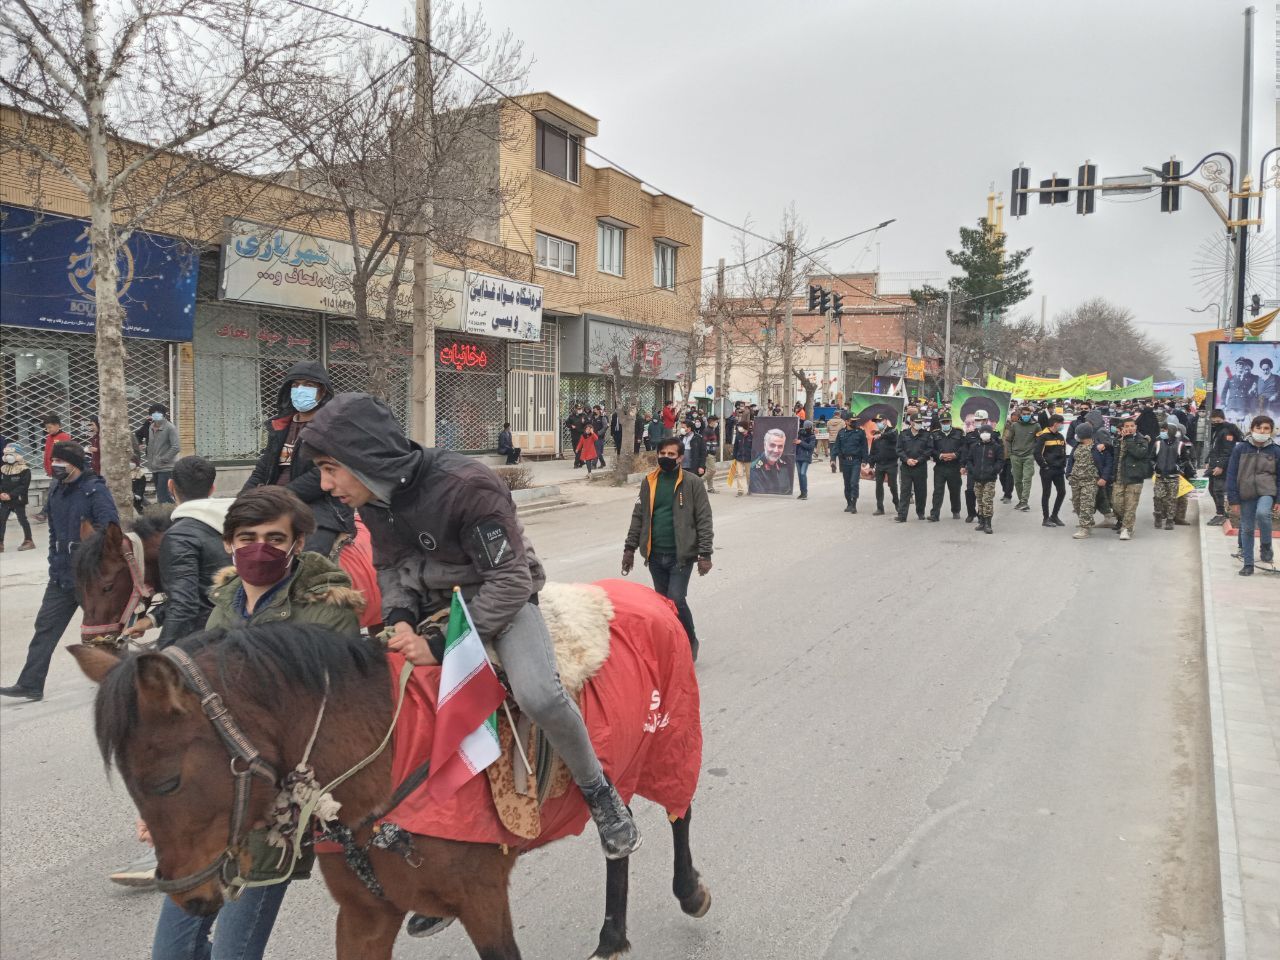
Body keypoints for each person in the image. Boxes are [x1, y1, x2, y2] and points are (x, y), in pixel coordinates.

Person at [303, 391, 641, 862]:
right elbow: (389, 566)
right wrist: (400, 618)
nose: (324, 483)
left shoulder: (467, 485)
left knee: (539, 695)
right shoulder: (372, 498)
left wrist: (442, 644)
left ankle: (599, 791)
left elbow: (510, 578)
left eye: (329, 467)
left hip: (496, 599)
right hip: (428, 605)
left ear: (363, 457)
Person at [148, 485, 363, 959]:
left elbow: (317, 715)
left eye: (274, 538)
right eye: (246, 537)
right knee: (172, 952)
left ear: (298, 544)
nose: (258, 548)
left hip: (273, 810)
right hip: (207, 808)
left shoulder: (330, 611)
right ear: (228, 543)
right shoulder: (225, 600)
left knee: (234, 953)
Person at [0, 441, 118, 701]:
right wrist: (55, 562)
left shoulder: (94, 490)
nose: (55, 466)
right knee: (45, 627)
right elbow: (54, 533)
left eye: (61, 462)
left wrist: (89, 551)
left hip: (90, 578)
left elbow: (111, 531)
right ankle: (30, 684)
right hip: (61, 578)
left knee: (104, 633)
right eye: (54, 461)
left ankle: (120, 679)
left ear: (74, 464)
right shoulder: (55, 489)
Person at [243, 361, 354, 559]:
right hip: (274, 500)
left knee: (308, 555)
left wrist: (279, 496)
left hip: (321, 505)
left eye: (309, 385)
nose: (300, 390)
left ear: (323, 392)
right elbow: (263, 468)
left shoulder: (334, 426)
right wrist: (243, 499)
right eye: (295, 385)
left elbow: (323, 473)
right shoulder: (280, 426)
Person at [126, 457, 235, 648]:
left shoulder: (179, 535)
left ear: (170, 486)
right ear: (212, 489)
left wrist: (163, 654)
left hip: (207, 640)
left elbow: (184, 605)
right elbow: (201, 589)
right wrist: (152, 618)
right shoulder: (237, 525)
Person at [622, 436, 714, 659]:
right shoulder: (649, 481)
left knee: (676, 600)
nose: (665, 458)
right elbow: (638, 516)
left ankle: (690, 640)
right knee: (662, 604)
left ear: (680, 457)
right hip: (655, 555)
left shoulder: (692, 483)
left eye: (671, 455)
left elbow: (704, 519)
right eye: (662, 454)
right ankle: (669, 644)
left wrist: (705, 553)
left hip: (681, 555)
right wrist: (629, 549)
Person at [1226, 414, 1279, 576]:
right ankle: (1248, 564)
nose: (1262, 431)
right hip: (1245, 493)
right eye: (1259, 428)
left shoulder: (1275, 450)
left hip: (1267, 491)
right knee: (1247, 528)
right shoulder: (1240, 448)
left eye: (1266, 428)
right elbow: (1232, 473)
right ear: (1252, 429)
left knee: (1263, 514)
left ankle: (1266, 545)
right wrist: (1233, 498)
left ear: (1271, 431)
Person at [1067, 422, 1113, 539]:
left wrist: (1104, 478)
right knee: (1077, 503)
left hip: (1091, 481)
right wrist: (1068, 475)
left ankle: (1085, 528)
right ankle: (1087, 521)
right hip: (1076, 480)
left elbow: (1108, 463)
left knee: (1086, 504)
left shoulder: (1098, 447)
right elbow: (1071, 461)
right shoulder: (1077, 446)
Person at [1111, 418, 1152, 541]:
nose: (1129, 428)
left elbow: (1139, 454)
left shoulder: (1142, 440)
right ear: (1122, 428)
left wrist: (1128, 439)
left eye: (1132, 426)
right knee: (1116, 503)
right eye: (1126, 426)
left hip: (1134, 478)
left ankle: (1126, 529)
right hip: (1118, 478)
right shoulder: (1118, 440)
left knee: (1130, 505)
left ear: (1136, 427)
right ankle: (1127, 522)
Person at [1150, 418, 1195, 531]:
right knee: (1157, 497)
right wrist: (1155, 466)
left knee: (1172, 499)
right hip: (1160, 476)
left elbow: (1186, 459)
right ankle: (1158, 516)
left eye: (1164, 429)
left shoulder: (1180, 445)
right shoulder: (1158, 443)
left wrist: (1178, 467)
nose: (1162, 432)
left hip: (1174, 477)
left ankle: (1170, 520)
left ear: (1170, 430)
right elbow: (1151, 458)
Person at [963, 419, 1004, 534]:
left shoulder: (996, 447)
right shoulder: (975, 446)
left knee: (987, 501)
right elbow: (969, 460)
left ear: (991, 434)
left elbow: (1000, 461)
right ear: (980, 433)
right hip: (977, 477)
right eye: (983, 432)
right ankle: (981, 521)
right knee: (980, 500)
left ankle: (988, 524)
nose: (985, 434)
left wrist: (993, 470)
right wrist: (972, 470)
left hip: (989, 479)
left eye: (987, 432)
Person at [32, 414, 71, 522]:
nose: (48, 430)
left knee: (53, 491)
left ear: (57, 425)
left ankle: (44, 513)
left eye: (50, 427)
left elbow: (67, 454)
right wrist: (47, 468)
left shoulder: (64, 437)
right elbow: (47, 454)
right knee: (59, 493)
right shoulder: (48, 437)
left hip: (61, 470)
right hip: (53, 470)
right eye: (47, 428)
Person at [1205, 411, 1241, 525]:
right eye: (1213, 421)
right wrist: (1207, 459)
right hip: (1214, 463)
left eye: (1218, 421)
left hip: (1222, 465)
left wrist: (1220, 466)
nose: (1215, 423)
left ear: (1223, 419)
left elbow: (1227, 451)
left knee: (1218, 490)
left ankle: (1220, 515)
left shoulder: (1227, 431)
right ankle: (1220, 513)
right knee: (1211, 489)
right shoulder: (1218, 430)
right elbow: (1215, 447)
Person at [895, 416, 931, 522]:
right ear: (911, 422)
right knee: (905, 491)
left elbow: (929, 450)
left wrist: (919, 460)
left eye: (920, 422)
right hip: (906, 466)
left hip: (920, 467)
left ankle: (920, 512)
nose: (919, 424)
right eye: (917, 422)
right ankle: (902, 515)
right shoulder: (903, 434)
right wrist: (906, 459)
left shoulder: (926, 435)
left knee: (921, 491)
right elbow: (899, 449)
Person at [1034, 413, 1068, 527]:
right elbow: (1037, 453)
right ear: (1055, 424)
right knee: (1046, 493)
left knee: (1062, 492)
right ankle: (1046, 518)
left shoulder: (1060, 436)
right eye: (1061, 423)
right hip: (1047, 470)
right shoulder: (1043, 436)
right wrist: (1044, 466)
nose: (1062, 425)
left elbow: (1063, 452)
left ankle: (1054, 515)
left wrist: (1063, 464)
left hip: (1059, 469)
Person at [0, 443, 35, 552]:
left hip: (18, 500)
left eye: (11, 454)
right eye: (6, 454)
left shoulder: (24, 469)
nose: (8, 456)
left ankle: (29, 540)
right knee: (1, 520)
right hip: (4, 500)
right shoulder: (3, 468)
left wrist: (11, 495)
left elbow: (24, 486)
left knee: (22, 520)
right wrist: (1, 493)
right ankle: (0, 543)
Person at [1003, 404, 1039, 511]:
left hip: (1029, 456)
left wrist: (1034, 452)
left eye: (1028, 414)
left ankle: (1024, 501)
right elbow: (1008, 440)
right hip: (1016, 456)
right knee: (1017, 480)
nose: (1026, 416)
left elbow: (1040, 440)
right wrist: (1011, 453)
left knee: (1027, 479)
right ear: (1021, 415)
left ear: (1031, 414)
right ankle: (1021, 501)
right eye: (1024, 414)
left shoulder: (1036, 426)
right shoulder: (1015, 426)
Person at [929, 417, 965, 521]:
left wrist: (955, 455)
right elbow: (931, 449)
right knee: (938, 491)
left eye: (947, 422)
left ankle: (956, 511)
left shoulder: (959, 433)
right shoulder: (935, 434)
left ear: (950, 422)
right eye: (943, 422)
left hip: (954, 467)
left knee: (955, 490)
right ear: (940, 423)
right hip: (940, 467)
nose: (945, 423)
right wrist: (940, 455)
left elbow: (963, 448)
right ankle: (934, 514)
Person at [144, 403, 181, 505]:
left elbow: (176, 447)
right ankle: (173, 512)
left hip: (166, 468)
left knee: (163, 496)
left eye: (158, 413)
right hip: (154, 467)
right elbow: (151, 445)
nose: (156, 415)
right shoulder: (151, 427)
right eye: (153, 413)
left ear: (164, 414)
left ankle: (170, 515)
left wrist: (164, 458)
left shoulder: (170, 428)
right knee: (162, 496)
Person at [832, 414, 868, 513]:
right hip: (845, 462)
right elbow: (836, 447)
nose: (855, 422)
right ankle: (848, 503)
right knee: (847, 484)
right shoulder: (841, 433)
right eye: (852, 420)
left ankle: (854, 504)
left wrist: (865, 460)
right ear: (847, 421)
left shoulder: (860, 432)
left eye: (856, 420)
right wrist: (833, 459)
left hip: (856, 461)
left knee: (854, 483)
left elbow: (864, 447)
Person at [748, 427, 793, 495]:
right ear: (765, 445)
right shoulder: (755, 468)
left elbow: (786, 489)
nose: (776, 450)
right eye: (772, 445)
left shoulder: (786, 465)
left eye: (780, 446)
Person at [870, 416, 899, 515]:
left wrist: (881, 436)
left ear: (886, 421)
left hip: (891, 463)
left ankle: (896, 502)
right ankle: (880, 507)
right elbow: (873, 451)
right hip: (879, 464)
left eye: (880, 421)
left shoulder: (893, 430)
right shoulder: (876, 435)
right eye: (876, 422)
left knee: (892, 485)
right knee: (878, 486)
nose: (878, 423)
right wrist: (871, 465)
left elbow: (892, 436)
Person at [1220, 357, 1257, 426]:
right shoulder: (1230, 378)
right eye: (1239, 364)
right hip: (1231, 406)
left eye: (1242, 365)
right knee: (1229, 426)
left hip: (1243, 406)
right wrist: (1223, 403)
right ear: (1236, 366)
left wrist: (1253, 390)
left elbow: (1252, 394)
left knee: (1241, 426)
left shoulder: (1249, 380)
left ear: (1244, 367)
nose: (1241, 366)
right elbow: (1224, 391)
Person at [794, 420, 817, 500]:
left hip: (806, 457)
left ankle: (805, 493)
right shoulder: (799, 434)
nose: (807, 428)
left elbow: (810, 447)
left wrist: (800, 442)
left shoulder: (812, 436)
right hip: (798, 457)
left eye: (809, 427)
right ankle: (802, 493)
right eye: (806, 426)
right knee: (800, 475)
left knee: (803, 473)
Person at [729, 422, 752, 497]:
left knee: (749, 475)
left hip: (749, 459)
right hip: (739, 458)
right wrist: (734, 457)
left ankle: (750, 489)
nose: (739, 428)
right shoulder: (738, 436)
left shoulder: (751, 436)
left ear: (745, 427)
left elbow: (754, 448)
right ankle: (740, 490)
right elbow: (735, 447)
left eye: (740, 427)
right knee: (739, 474)